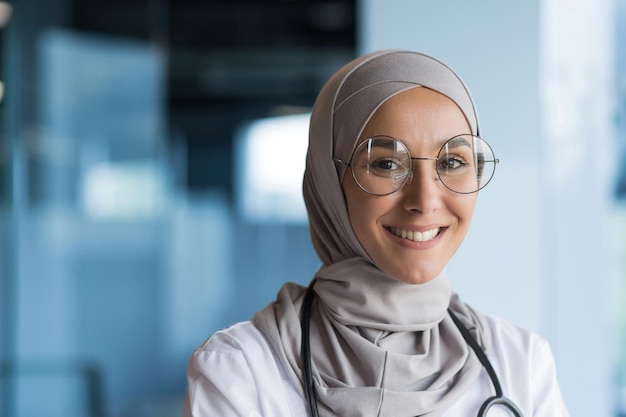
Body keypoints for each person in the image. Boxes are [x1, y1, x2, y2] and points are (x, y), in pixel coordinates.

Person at [182, 49, 569, 417]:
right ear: (329, 182)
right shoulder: (239, 370)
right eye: (386, 163)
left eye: (452, 161)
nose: (425, 200)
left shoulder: (521, 364)